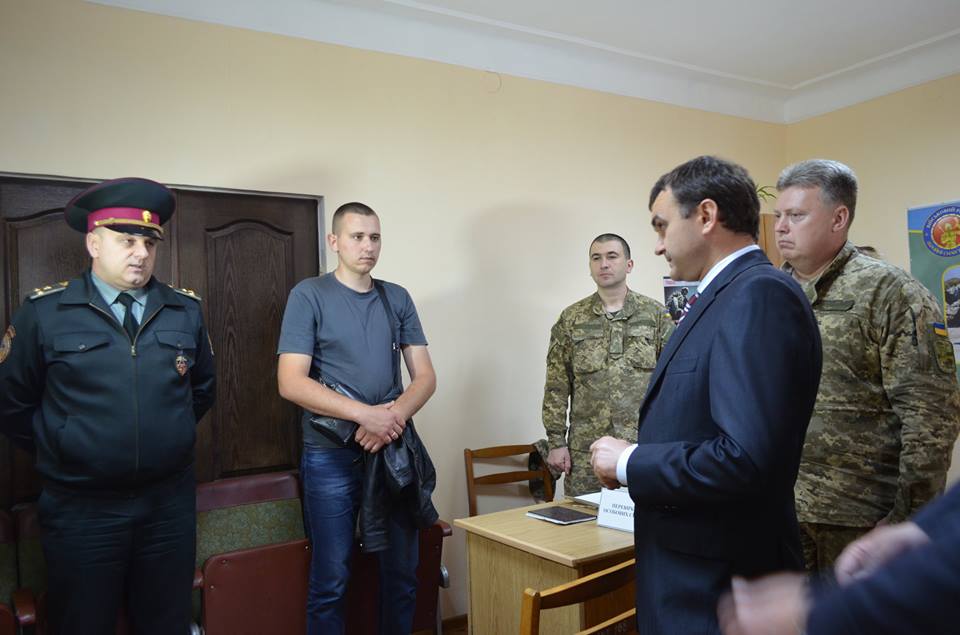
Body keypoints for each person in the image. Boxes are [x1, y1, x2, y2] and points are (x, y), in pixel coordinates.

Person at [589, 155, 822, 634]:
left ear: (707, 216)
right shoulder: (723, 295)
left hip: (719, 588)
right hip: (690, 575)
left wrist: (629, 461)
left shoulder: (758, 295)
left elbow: (745, 460)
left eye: (662, 226)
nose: (657, 246)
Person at [0, 177, 216, 635]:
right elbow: (11, 403)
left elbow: (201, 391)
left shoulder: (184, 310)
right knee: (83, 623)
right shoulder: (45, 311)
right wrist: (66, 444)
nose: (141, 253)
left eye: (149, 243)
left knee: (166, 623)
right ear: (94, 243)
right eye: (126, 240)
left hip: (167, 508)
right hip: (82, 510)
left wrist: (164, 436)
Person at [774, 159, 960, 573]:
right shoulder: (772, 292)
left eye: (796, 215)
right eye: (779, 215)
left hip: (861, 519)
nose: (781, 227)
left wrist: (908, 521)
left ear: (839, 218)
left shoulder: (889, 291)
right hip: (782, 510)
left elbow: (931, 416)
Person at [276, 201, 437, 635]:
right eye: (357, 237)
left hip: (392, 451)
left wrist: (391, 418)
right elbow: (291, 382)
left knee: (402, 574)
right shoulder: (308, 295)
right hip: (330, 455)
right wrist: (367, 415)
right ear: (334, 241)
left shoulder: (396, 297)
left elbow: (425, 377)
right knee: (331, 580)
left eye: (375, 237)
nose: (368, 246)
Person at [717, 482, 960, 635]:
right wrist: (921, 527)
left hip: (856, 513)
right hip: (812, 505)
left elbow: (925, 441)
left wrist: (825, 612)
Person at [541, 233, 673, 496]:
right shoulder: (571, 319)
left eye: (612, 256)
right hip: (586, 453)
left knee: (647, 514)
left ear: (629, 265)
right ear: (590, 267)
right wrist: (556, 442)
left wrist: (671, 442)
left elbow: (673, 383)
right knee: (582, 517)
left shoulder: (657, 315)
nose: (604, 264)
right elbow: (556, 386)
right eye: (596, 258)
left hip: (642, 449)